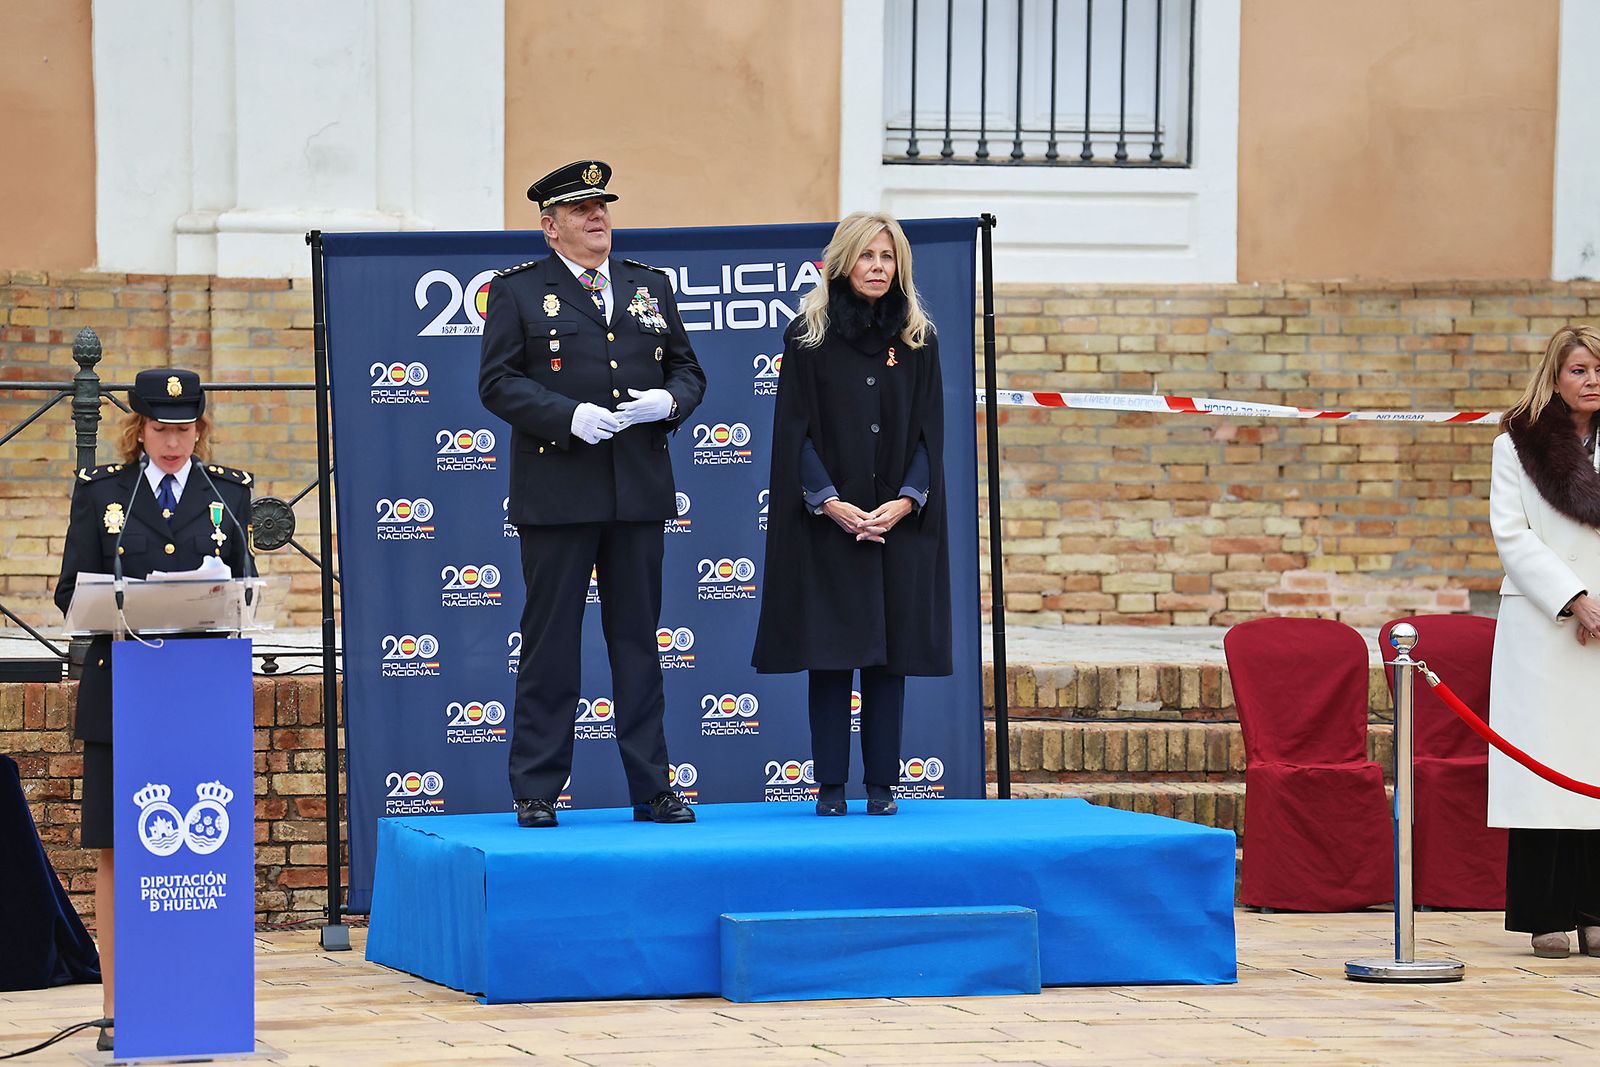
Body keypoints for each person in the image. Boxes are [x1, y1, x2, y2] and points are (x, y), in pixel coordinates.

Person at [479, 159, 706, 828]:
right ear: (550, 227)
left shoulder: (648, 284)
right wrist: (568, 415)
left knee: (637, 644)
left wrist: (668, 402)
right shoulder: (518, 291)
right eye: (580, 209)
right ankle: (537, 788)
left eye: (601, 205)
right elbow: (496, 382)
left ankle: (653, 787)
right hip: (558, 490)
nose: (597, 215)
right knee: (550, 644)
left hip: (637, 489)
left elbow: (688, 370)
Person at [55, 368, 254, 1050]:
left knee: (203, 853)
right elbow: (69, 591)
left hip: (200, 699)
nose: (173, 442)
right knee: (119, 846)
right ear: (138, 429)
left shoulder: (228, 493)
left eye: (185, 429)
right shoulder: (103, 492)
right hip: (123, 693)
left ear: (201, 429)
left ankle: (199, 998)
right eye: (161, 428)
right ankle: (120, 1006)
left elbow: (245, 588)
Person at [752, 212, 952, 816]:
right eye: (867, 255)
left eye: (887, 257)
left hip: (896, 525)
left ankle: (882, 786)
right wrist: (829, 501)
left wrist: (906, 500)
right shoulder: (807, 337)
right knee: (831, 657)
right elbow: (793, 434)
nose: (877, 267)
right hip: (828, 525)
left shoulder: (918, 339)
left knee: (890, 658)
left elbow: (930, 435)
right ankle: (831, 788)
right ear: (842, 263)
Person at [1489, 324, 1600, 958]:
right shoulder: (1516, 444)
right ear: (1555, 377)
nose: (1591, 381)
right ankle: (1545, 914)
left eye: (1599, 370)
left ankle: (1595, 912)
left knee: (1596, 766)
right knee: (1545, 769)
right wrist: (1575, 599)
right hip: (1544, 624)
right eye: (1579, 370)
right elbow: (1513, 535)